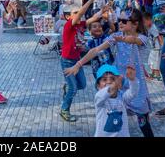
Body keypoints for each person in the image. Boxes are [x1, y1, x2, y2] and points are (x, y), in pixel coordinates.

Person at [65, 9, 154, 137]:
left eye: (124, 21)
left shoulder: (142, 38)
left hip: (136, 86)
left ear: (135, 24)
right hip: (119, 85)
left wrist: (122, 39)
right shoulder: (116, 36)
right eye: (119, 20)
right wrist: (78, 65)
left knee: (144, 124)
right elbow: (95, 50)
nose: (120, 23)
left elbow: (134, 40)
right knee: (114, 119)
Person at [59, 0, 94, 122]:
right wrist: (89, 1)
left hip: (76, 61)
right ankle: (64, 110)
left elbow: (92, 19)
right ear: (68, 17)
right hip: (67, 61)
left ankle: (67, 88)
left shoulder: (79, 25)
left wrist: (103, 11)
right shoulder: (69, 25)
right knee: (73, 88)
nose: (78, 14)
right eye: (75, 13)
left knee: (82, 85)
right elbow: (81, 13)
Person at [94, 64, 139, 137]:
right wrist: (115, 83)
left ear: (120, 84)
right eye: (104, 79)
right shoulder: (99, 98)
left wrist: (132, 80)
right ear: (98, 86)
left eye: (112, 79)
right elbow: (108, 90)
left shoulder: (122, 97)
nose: (109, 82)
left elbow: (133, 93)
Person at [143, 12, 163, 81]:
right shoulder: (149, 27)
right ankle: (153, 73)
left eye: (144, 22)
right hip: (153, 48)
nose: (144, 24)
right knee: (151, 61)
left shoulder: (153, 28)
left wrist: (162, 46)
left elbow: (159, 36)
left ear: (149, 20)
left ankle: (158, 75)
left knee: (155, 62)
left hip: (157, 48)